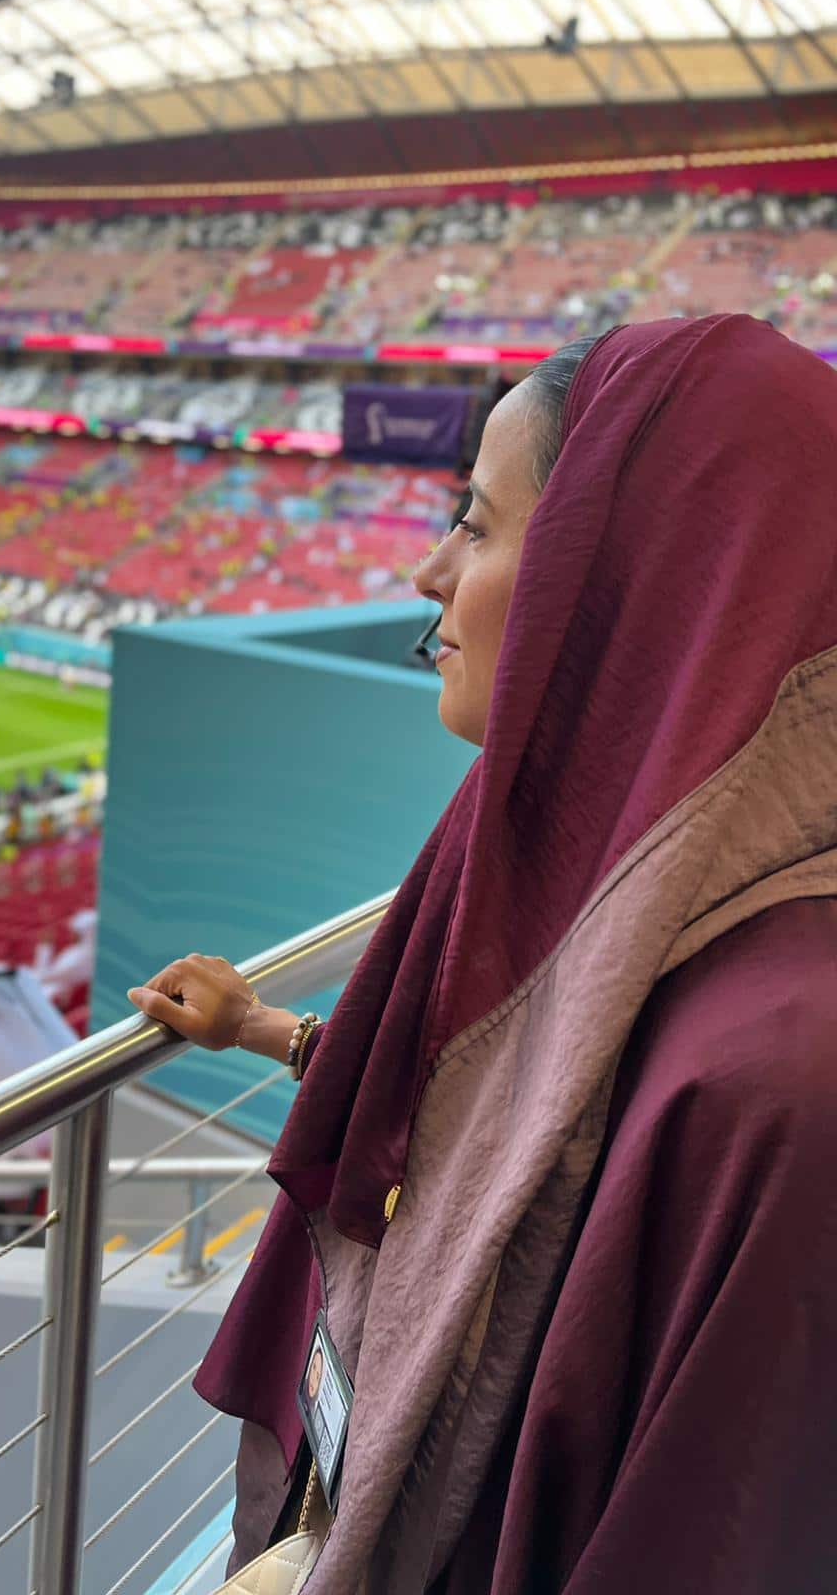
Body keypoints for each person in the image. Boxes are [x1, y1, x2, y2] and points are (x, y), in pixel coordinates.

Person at [126, 316, 837, 1592]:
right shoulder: (626, 894)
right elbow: (529, 1102)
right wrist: (269, 1031)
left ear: (629, 576)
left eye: (480, 521)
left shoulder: (776, 1084)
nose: (428, 571)